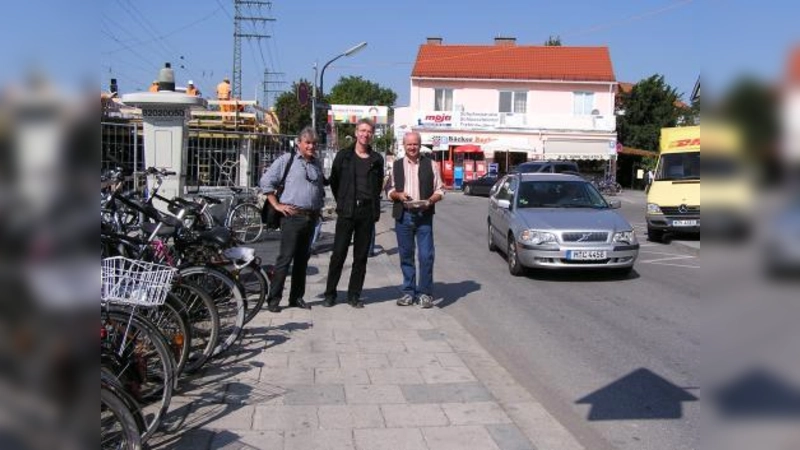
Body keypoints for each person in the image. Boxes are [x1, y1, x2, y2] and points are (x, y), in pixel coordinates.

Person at [259, 126, 325, 313]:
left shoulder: (316, 164)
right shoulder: (286, 160)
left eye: (314, 143)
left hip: (310, 218)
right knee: (285, 258)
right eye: (308, 143)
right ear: (299, 143)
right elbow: (266, 182)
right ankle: (274, 299)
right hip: (292, 217)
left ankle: (297, 297)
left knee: (302, 260)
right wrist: (277, 205)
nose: (311, 146)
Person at [323, 118, 385, 308]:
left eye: (369, 131)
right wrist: (343, 200)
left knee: (361, 257)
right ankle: (330, 294)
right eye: (362, 130)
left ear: (372, 135)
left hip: (366, 212)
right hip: (347, 211)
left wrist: (373, 208)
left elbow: (378, 186)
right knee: (339, 253)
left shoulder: (377, 159)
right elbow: (334, 181)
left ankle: (354, 295)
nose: (365, 134)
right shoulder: (344, 156)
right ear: (357, 132)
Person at [386, 131, 445, 309]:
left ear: (420, 146)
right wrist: (398, 195)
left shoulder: (432, 165)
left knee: (426, 256)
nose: (412, 147)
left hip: (424, 216)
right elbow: (389, 191)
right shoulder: (396, 166)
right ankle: (408, 292)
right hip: (403, 215)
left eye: (415, 144)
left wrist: (430, 201)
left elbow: (441, 190)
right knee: (406, 255)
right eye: (409, 144)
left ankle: (425, 293)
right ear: (403, 146)